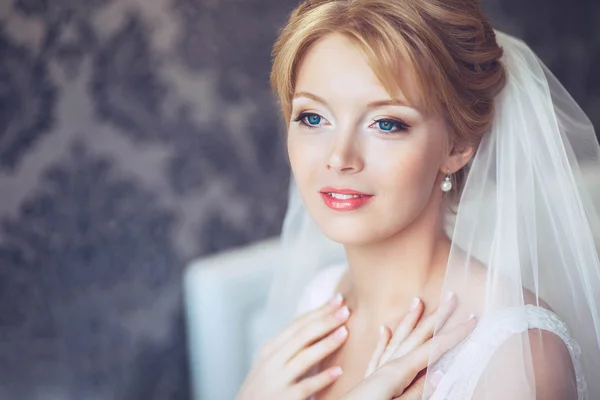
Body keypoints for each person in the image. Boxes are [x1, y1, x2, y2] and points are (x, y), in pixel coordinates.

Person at [237, 0, 600, 399]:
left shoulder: (517, 354)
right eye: (312, 118)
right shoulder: (320, 300)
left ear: (458, 146)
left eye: (386, 123)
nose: (339, 158)